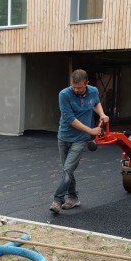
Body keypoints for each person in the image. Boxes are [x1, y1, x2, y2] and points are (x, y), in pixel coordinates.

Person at [50, 69, 109, 214]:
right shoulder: (64, 94)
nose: (76, 90)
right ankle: (73, 198)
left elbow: (95, 103)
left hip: (80, 139)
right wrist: (91, 130)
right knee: (67, 170)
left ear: (87, 83)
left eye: (80, 87)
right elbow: (70, 119)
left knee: (68, 169)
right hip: (64, 137)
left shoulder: (93, 91)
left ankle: (57, 200)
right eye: (74, 87)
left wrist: (102, 114)